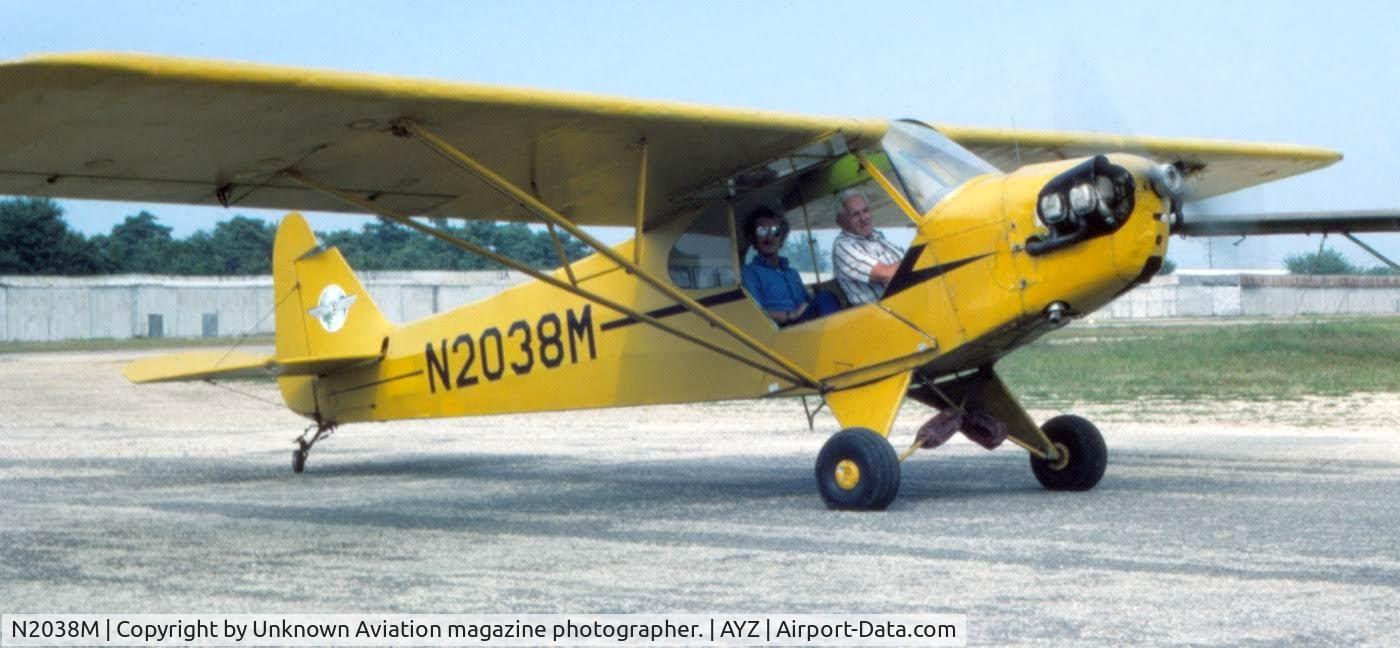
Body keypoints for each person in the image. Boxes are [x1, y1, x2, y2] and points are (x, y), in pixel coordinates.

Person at [740, 208, 839, 326]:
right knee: (825, 298)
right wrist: (790, 315)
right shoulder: (750, 272)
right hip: (780, 331)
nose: (769, 237)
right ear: (752, 238)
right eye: (762, 231)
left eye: (775, 231)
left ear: (781, 237)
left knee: (828, 296)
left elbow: (806, 303)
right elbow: (755, 313)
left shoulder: (792, 273)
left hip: (805, 325)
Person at [832, 188, 905, 305]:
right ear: (841, 222)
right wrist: (919, 258)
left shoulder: (877, 236)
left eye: (865, 211)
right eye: (855, 214)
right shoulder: (843, 247)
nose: (863, 218)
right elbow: (887, 274)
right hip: (884, 315)